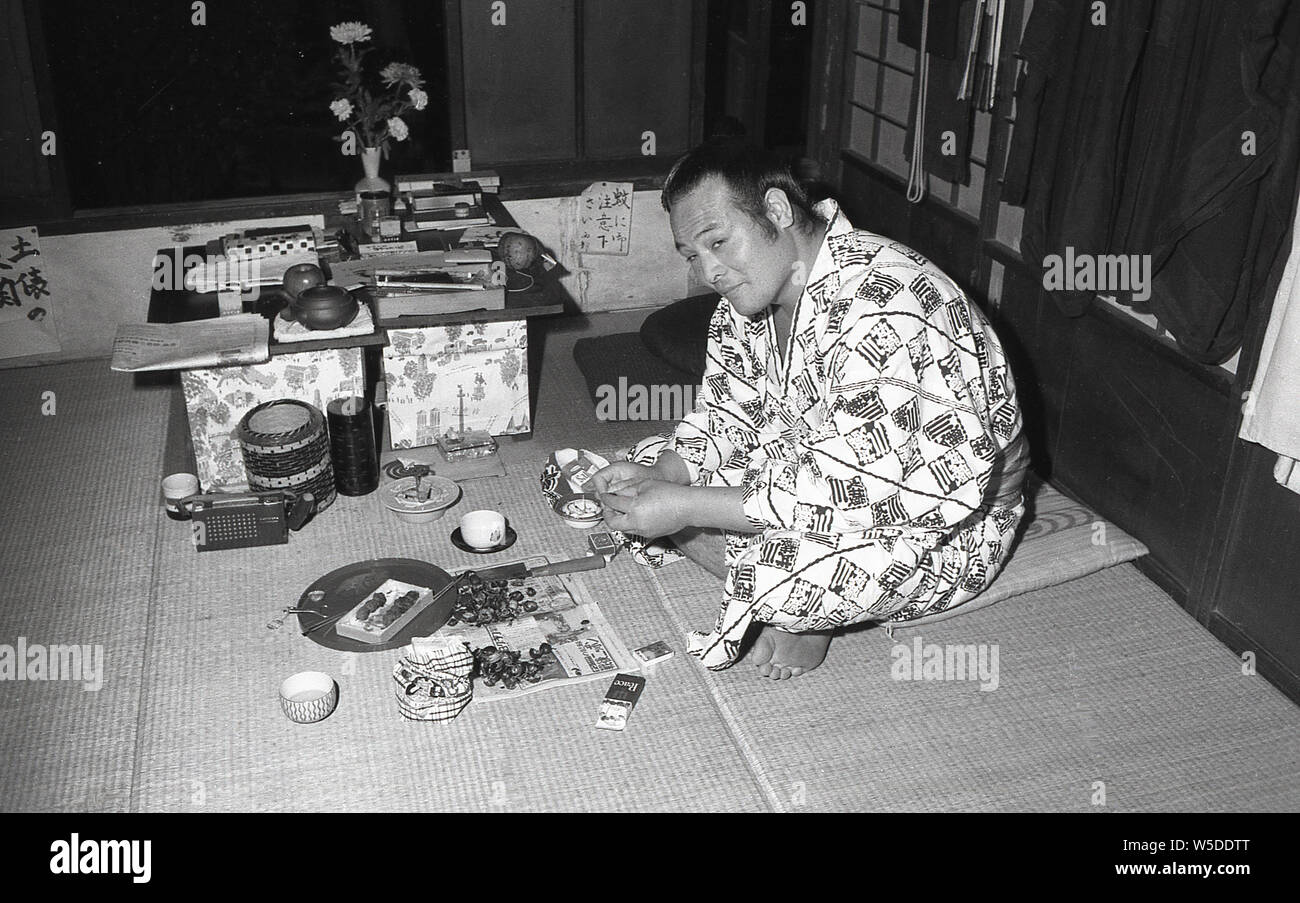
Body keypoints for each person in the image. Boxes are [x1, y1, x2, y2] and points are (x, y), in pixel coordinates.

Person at [593, 142, 1029, 680]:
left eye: (719, 242)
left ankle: (803, 619)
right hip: (815, 461)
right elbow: (729, 410)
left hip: (942, 521)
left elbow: (867, 490)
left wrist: (686, 509)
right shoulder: (753, 297)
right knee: (645, 464)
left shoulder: (892, 305)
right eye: (692, 256)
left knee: (783, 574)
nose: (710, 272)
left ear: (776, 211)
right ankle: (742, 571)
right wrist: (668, 474)